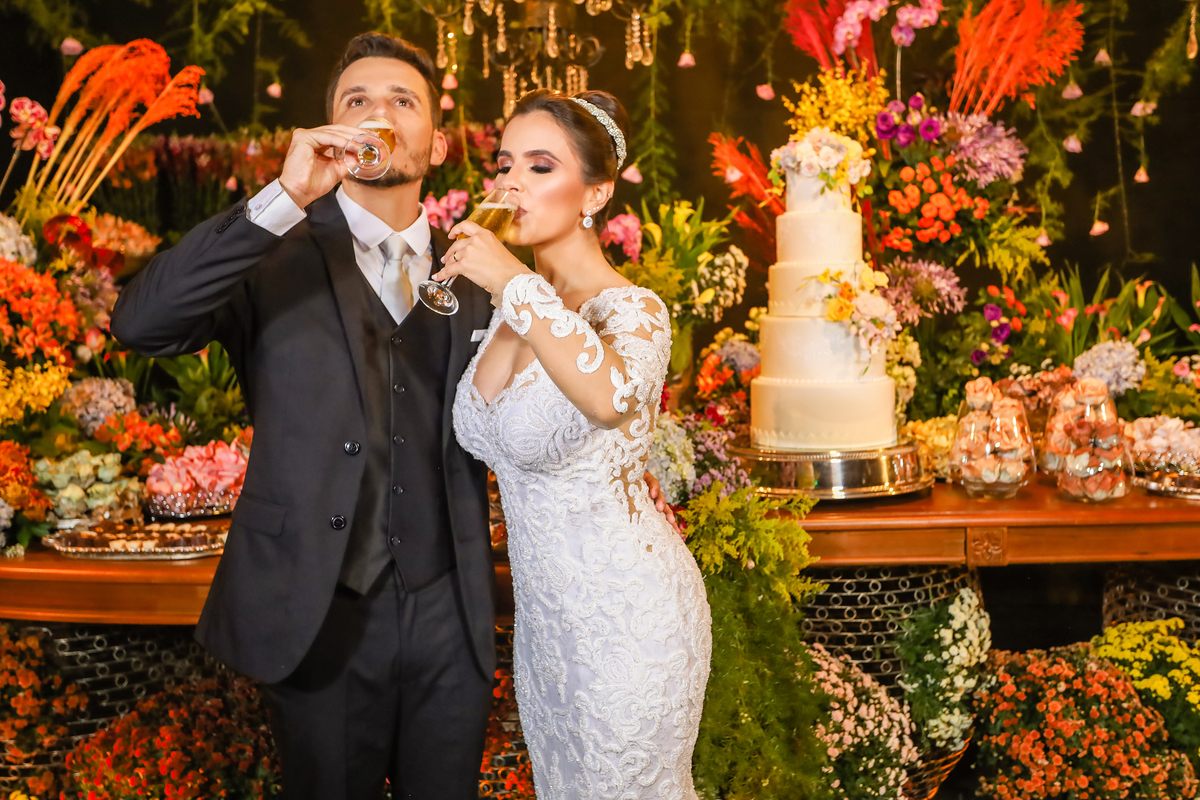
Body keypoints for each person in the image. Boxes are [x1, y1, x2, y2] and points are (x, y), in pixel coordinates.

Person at [110, 33, 678, 800]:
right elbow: (140, 325)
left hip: (453, 617)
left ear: (437, 143)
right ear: (330, 130)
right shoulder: (269, 253)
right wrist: (283, 197)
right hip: (317, 614)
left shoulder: (487, 273)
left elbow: (582, 399)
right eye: (357, 101)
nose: (378, 113)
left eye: (402, 100)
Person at [440, 88, 713, 799]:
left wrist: (513, 280)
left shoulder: (634, 311)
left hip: (629, 618)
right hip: (548, 629)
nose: (512, 185)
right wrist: (512, 292)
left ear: (596, 193)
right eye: (505, 165)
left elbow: (608, 397)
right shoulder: (509, 314)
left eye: (540, 167)